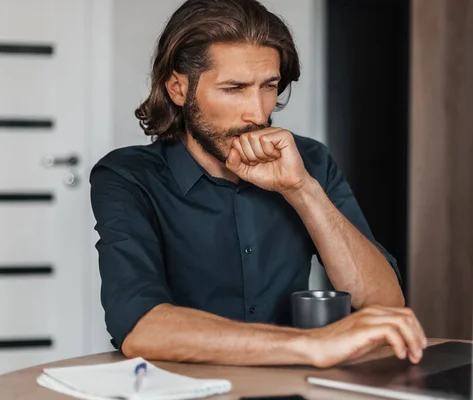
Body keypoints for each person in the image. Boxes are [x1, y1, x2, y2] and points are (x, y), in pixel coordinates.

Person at [90, 0, 426, 368]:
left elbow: (383, 305)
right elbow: (141, 327)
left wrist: (302, 190)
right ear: (176, 88)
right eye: (234, 88)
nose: (258, 113)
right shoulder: (127, 178)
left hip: (291, 386)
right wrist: (311, 345)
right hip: (180, 390)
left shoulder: (308, 161)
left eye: (269, 86)